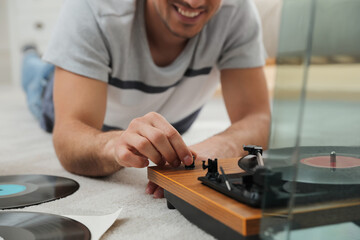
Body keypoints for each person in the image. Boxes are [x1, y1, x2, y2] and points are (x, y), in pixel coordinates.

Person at [22, 0, 271, 198]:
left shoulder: (237, 10)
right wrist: (115, 145)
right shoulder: (92, 7)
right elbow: (69, 134)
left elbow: (259, 118)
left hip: (174, 119)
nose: (194, 2)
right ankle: (30, 54)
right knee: (35, 74)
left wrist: (213, 149)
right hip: (79, 106)